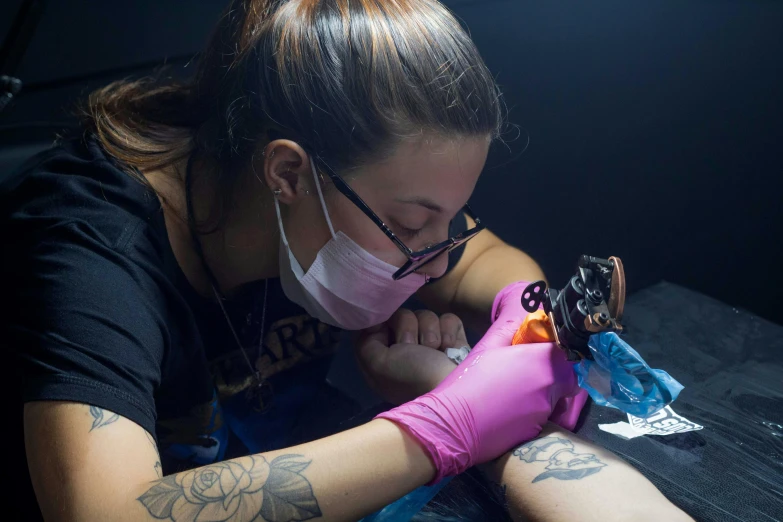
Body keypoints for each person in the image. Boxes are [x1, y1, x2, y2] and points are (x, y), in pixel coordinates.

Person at [5, 0, 691, 520]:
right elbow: (109, 512)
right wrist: (447, 423)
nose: (432, 264)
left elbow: (486, 258)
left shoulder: (346, 191)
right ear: (287, 175)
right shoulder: (90, 249)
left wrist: (528, 323)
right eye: (410, 222)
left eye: (445, 222)